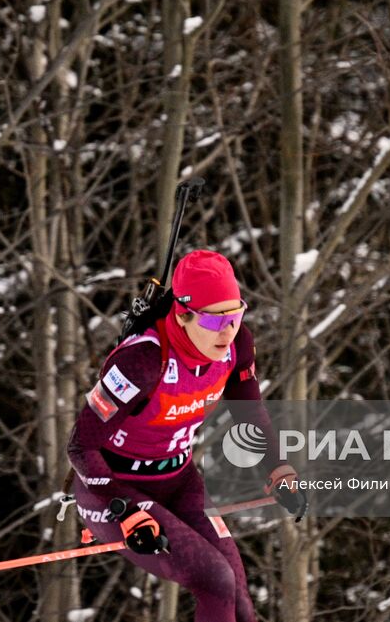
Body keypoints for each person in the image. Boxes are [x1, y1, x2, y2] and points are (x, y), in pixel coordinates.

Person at [67, 250, 307, 622]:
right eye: (215, 323)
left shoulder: (236, 345)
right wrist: (125, 510)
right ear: (182, 314)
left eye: (236, 316)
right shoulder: (143, 361)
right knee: (215, 580)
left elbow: (249, 411)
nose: (228, 333)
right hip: (113, 491)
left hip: (178, 481)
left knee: (240, 602)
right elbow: (81, 445)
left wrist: (278, 469)